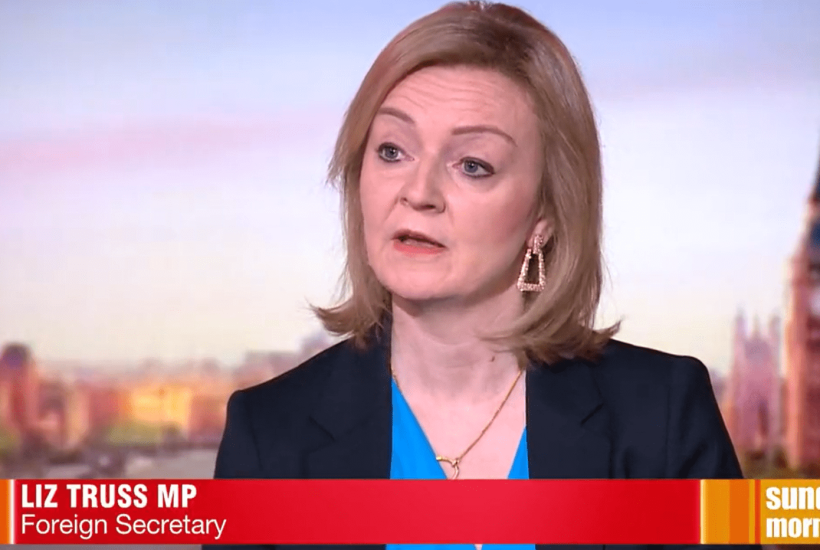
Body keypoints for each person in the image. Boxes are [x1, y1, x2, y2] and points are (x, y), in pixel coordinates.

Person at [206, 2, 752, 550]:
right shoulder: (267, 436)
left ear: (545, 214)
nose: (418, 192)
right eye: (392, 151)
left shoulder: (663, 419)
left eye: (472, 165)